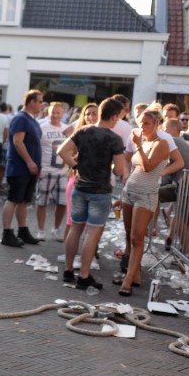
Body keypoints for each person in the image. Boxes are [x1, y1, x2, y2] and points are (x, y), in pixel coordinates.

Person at [58, 98, 127, 290]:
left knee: (75, 229)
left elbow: (62, 151)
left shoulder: (83, 130)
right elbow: (119, 170)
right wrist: (112, 167)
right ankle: (84, 276)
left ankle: (68, 270)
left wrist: (76, 166)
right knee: (92, 233)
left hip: (80, 187)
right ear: (113, 117)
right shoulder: (114, 139)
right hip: (100, 191)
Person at [117, 109, 170, 295]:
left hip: (146, 195)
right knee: (129, 235)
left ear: (156, 124)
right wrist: (122, 194)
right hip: (130, 191)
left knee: (137, 237)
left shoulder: (161, 143)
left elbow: (148, 167)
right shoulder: (144, 142)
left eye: (147, 123)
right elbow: (135, 169)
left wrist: (138, 145)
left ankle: (128, 279)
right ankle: (135, 274)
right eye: (140, 123)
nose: (142, 127)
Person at [1, 89, 44, 247]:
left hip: (29, 169)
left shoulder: (32, 119)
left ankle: (23, 230)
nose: (41, 104)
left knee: (24, 200)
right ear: (31, 101)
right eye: (40, 101)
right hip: (19, 168)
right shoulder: (20, 118)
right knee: (13, 199)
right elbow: (18, 142)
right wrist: (29, 162)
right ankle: (7, 233)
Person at [35, 101, 69, 240]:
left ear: (63, 114)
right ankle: (41, 230)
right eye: (52, 112)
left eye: (58, 113)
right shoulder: (42, 128)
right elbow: (35, 149)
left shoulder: (67, 129)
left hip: (63, 172)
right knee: (42, 202)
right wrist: (38, 168)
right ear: (48, 113)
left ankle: (56, 228)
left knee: (62, 203)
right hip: (46, 170)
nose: (55, 115)